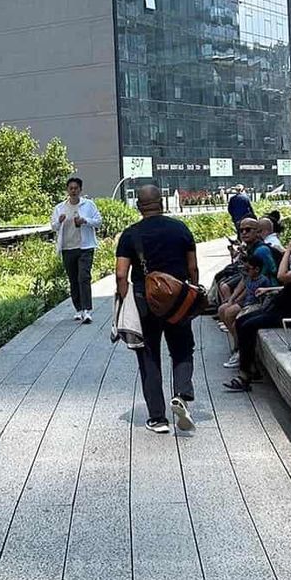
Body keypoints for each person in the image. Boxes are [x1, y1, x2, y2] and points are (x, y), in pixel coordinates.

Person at [116, 185, 199, 434]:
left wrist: (126, 299)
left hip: (145, 302)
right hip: (178, 299)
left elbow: (121, 274)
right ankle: (182, 394)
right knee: (183, 349)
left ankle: (158, 419)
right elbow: (192, 268)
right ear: (161, 202)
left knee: (149, 356)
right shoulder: (180, 228)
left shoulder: (131, 235)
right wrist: (192, 292)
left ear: (139, 206)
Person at [223, 235, 291, 392]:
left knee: (248, 325)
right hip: (281, 311)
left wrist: (288, 250)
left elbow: (281, 276)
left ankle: (244, 376)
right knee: (242, 321)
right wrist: (270, 289)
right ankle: (250, 369)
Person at [51, 177, 102, 324]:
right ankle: (78, 309)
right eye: (71, 188)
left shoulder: (88, 205)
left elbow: (98, 222)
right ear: (67, 190)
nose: (73, 191)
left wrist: (85, 220)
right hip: (68, 248)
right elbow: (53, 227)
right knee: (73, 279)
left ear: (80, 190)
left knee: (83, 277)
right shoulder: (60, 208)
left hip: (85, 247)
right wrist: (59, 221)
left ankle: (87, 310)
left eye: (76, 188)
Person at [217, 253, 270, 362]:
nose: (245, 271)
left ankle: (240, 348)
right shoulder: (249, 277)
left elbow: (260, 298)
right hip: (246, 302)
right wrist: (233, 300)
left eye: (248, 269)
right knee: (223, 310)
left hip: (255, 305)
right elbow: (246, 289)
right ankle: (238, 344)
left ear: (256, 269)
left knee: (237, 321)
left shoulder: (263, 280)